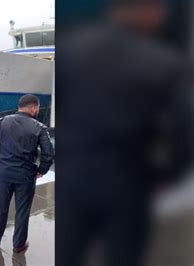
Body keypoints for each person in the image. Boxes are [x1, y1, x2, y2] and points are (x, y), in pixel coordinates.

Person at [56, 0, 191, 265]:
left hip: (73, 177)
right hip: (129, 182)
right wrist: (169, 174)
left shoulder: (71, 48)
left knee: (67, 252)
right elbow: (183, 131)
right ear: (149, 11)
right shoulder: (164, 60)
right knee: (123, 255)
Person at [0, 94, 54, 253]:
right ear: (34, 107)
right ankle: (19, 245)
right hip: (26, 176)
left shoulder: (2, 122)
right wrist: (41, 170)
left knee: (0, 209)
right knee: (22, 211)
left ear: (19, 107)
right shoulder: (40, 128)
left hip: (3, 174)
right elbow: (48, 153)